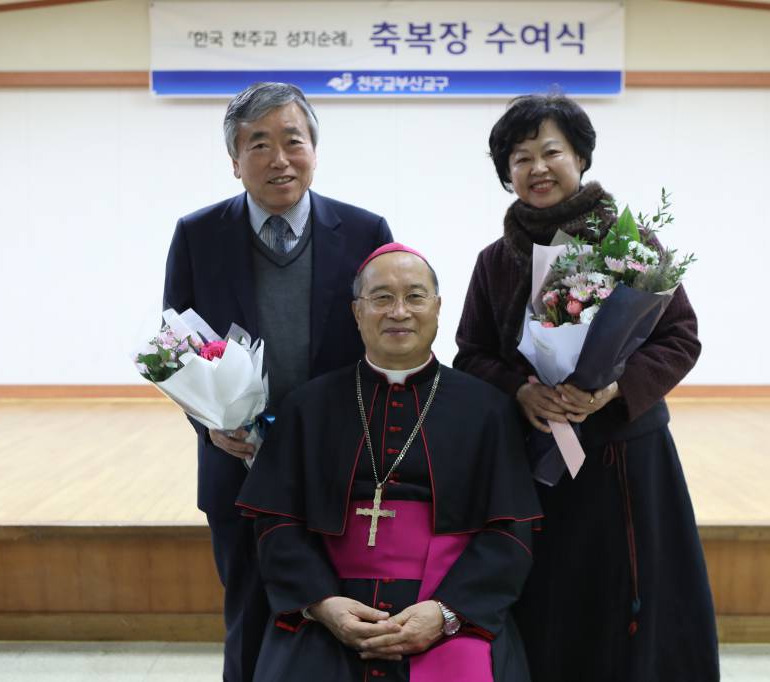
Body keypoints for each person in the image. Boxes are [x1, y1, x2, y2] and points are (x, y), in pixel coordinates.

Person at [453, 94, 720, 681]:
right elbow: (469, 354)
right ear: (506, 175)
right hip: (535, 461)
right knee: (549, 593)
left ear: (580, 157)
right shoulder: (494, 261)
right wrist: (520, 391)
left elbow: (680, 339)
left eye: (551, 151)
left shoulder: (631, 246)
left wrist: (614, 388)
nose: (536, 168)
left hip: (625, 455)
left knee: (633, 592)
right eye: (519, 158)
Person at [162, 82, 392, 682]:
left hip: (339, 465)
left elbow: (390, 338)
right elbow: (176, 347)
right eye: (258, 143)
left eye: (293, 139)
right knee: (249, 611)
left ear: (314, 149)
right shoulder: (197, 234)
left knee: (340, 613)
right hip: (236, 466)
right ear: (234, 161)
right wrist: (210, 426)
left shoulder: (366, 232)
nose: (278, 158)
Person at [236, 243, 542, 682]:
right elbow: (277, 523)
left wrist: (446, 613)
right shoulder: (308, 406)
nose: (399, 311)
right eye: (381, 298)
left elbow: (511, 535)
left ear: (438, 309)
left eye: (415, 296)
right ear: (357, 312)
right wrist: (324, 605)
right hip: (332, 601)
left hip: (449, 601)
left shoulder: (488, 409)